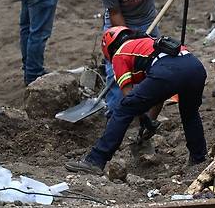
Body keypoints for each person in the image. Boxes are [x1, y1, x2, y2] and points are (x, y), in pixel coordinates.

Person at [64, 27, 207, 175]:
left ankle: (95, 160)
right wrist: (150, 121)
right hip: (195, 67)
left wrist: (143, 118)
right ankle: (199, 158)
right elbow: (159, 94)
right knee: (190, 114)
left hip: (167, 72)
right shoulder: (147, 43)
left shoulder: (120, 54)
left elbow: (130, 99)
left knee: (124, 109)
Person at [99, 0, 195, 115]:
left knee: (151, 65)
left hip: (148, 20)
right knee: (117, 72)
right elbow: (115, 13)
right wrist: (128, 39)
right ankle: (114, 113)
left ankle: (146, 115)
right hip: (120, 24)